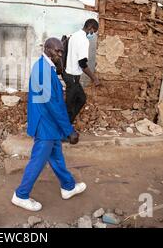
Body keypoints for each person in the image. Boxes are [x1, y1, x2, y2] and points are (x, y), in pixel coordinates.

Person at [11, 38, 86, 212]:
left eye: (61, 52)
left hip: (49, 124)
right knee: (38, 161)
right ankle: (21, 195)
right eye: (56, 51)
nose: (60, 55)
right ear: (47, 49)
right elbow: (52, 103)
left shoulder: (46, 67)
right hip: (45, 124)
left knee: (57, 156)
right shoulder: (44, 69)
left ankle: (68, 186)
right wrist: (69, 130)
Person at [62, 19, 100, 125]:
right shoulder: (83, 40)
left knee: (81, 99)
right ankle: (64, 131)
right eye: (94, 31)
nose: (92, 34)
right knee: (69, 106)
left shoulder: (73, 35)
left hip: (68, 74)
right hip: (72, 76)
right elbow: (82, 64)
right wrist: (94, 78)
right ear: (90, 28)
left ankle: (67, 124)